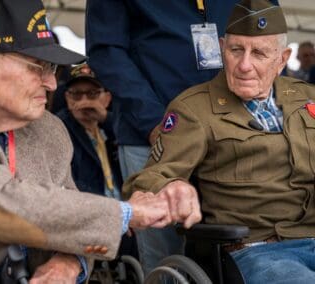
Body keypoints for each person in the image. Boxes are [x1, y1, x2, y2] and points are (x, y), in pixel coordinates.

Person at [0, 0, 175, 283]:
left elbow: (72, 217)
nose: (52, 83)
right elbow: (2, 203)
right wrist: (126, 213)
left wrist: (69, 263)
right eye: (37, 67)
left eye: (52, 68)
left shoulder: (49, 129)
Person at [124, 0, 315, 283]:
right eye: (236, 50)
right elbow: (152, 176)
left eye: (259, 53)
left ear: (283, 59)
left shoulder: (306, 97)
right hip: (256, 250)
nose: (244, 65)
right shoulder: (194, 108)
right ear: (222, 47)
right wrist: (172, 186)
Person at [86, 0, 279, 274]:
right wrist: (155, 122)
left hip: (238, 134)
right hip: (152, 134)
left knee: (248, 249)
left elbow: (269, 40)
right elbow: (106, 51)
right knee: (166, 261)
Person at [57, 63, 138, 259]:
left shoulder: (117, 127)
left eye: (92, 94)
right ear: (67, 98)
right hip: (93, 216)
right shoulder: (60, 129)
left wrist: (105, 118)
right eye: (76, 95)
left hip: (126, 211)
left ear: (107, 98)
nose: (84, 102)